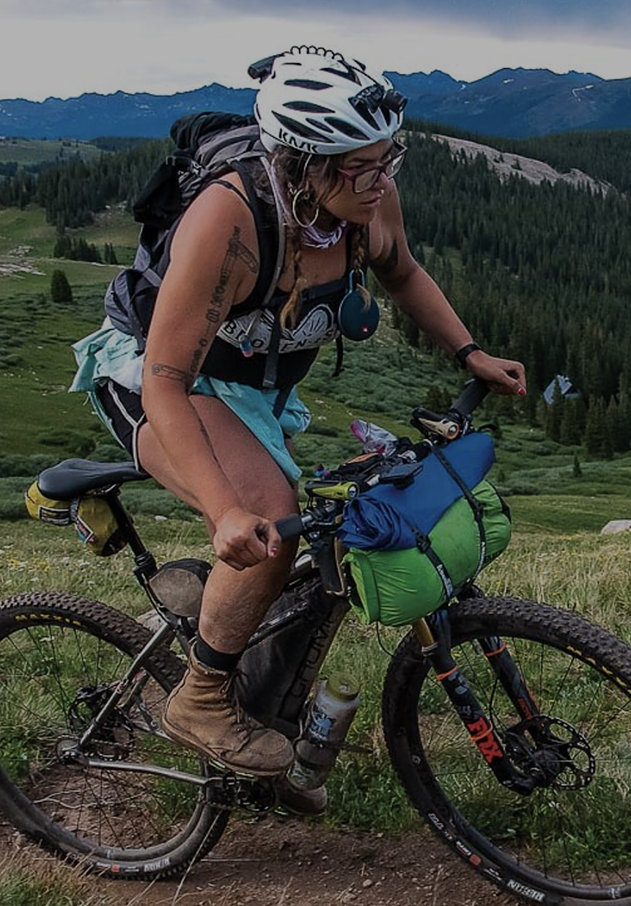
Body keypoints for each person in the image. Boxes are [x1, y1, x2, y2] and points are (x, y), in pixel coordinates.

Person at [71, 45, 526, 784]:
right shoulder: (230, 219)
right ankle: (201, 697)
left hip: (254, 389)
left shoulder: (365, 197)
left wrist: (469, 352)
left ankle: (224, 622)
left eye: (390, 159)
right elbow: (163, 379)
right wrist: (224, 513)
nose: (383, 181)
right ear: (302, 166)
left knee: (310, 533)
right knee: (265, 516)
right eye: (362, 166)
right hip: (160, 381)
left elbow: (402, 270)